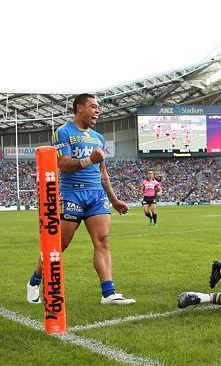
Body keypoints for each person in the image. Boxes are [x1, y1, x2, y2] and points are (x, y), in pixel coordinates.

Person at [26, 93, 135, 304]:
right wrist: (89, 159)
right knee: (59, 245)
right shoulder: (63, 132)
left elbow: (103, 172)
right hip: (71, 194)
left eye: (98, 107)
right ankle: (34, 280)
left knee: (102, 241)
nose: (97, 111)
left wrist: (114, 200)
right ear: (79, 108)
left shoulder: (98, 138)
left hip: (96, 195)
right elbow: (63, 164)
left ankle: (109, 293)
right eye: (93, 107)